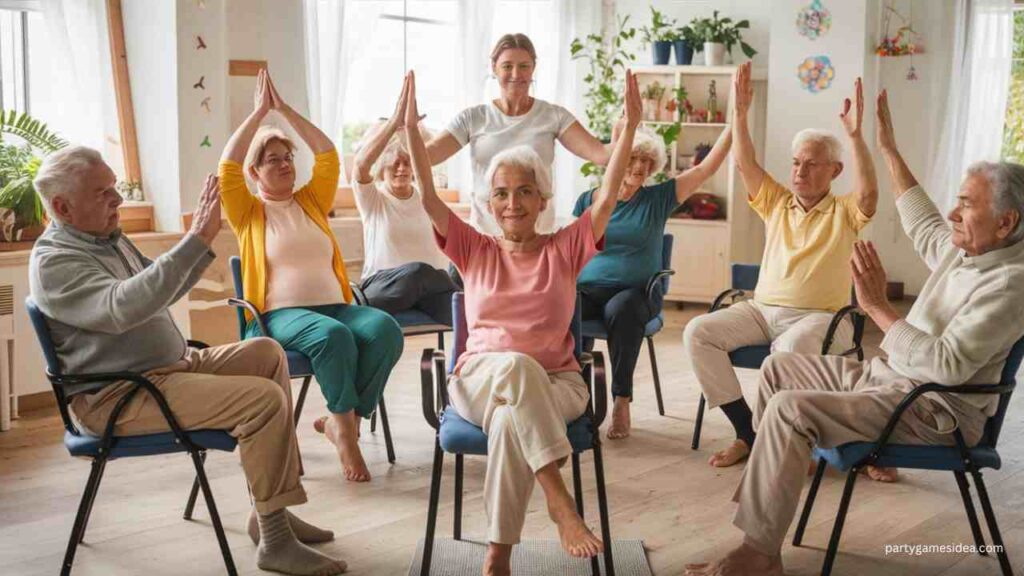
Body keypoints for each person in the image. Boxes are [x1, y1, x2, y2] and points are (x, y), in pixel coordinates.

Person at [685, 90, 1024, 576]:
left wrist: (878, 308)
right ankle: (771, 501)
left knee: (788, 407)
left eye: (966, 204)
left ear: (1006, 221)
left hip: (932, 409)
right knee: (780, 370)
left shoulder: (1010, 283)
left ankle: (759, 553)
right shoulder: (969, 248)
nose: (953, 214)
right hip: (892, 382)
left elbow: (949, 365)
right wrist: (886, 145)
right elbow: (921, 217)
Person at [29, 147, 346, 576]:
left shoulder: (108, 239)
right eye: (103, 193)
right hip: (119, 395)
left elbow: (163, 289)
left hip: (168, 370)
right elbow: (122, 307)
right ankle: (276, 543)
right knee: (263, 400)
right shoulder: (55, 261)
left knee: (266, 353)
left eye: (116, 188)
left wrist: (203, 240)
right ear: (63, 208)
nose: (118, 200)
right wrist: (195, 238)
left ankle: (271, 512)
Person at [406, 67, 640, 576]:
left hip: (558, 383)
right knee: (513, 367)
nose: (513, 202)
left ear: (543, 199)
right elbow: (426, 195)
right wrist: (409, 132)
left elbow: (606, 196)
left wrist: (631, 130)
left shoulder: (565, 248)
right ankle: (559, 504)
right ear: (490, 204)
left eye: (524, 191)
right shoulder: (473, 248)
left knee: (514, 416)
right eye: (502, 194)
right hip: (478, 380)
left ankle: (498, 557)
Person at [683, 62, 882, 474]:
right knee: (697, 332)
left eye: (811, 164)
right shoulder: (776, 201)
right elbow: (744, 162)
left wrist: (856, 136)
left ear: (834, 170)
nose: (799, 171)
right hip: (761, 310)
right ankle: (749, 434)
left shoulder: (844, 211)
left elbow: (869, 192)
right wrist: (738, 113)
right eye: (796, 162)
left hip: (822, 317)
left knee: (788, 352)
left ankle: (786, 439)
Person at [219, 69, 403, 483]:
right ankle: (347, 432)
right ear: (255, 173)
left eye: (288, 158)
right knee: (332, 338)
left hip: (336, 306)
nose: (284, 164)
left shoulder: (311, 201)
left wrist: (285, 112)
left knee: (385, 329)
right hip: (277, 316)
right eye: (273, 160)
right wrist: (259, 115)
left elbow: (328, 155)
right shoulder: (247, 212)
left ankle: (345, 420)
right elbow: (228, 163)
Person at [574, 125, 732, 439]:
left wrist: (735, 123)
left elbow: (706, 167)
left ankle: (621, 400)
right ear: (616, 159)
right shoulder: (587, 200)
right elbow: (574, 247)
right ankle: (574, 397)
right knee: (564, 306)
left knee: (623, 309)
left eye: (647, 162)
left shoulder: (658, 198)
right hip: (589, 289)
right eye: (632, 158)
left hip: (637, 293)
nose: (639, 167)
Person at [426, 33, 620, 235]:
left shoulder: (553, 116)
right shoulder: (474, 118)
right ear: (494, 68)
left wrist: (626, 128)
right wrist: (408, 129)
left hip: (537, 243)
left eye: (524, 66)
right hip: (485, 242)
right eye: (507, 66)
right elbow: (428, 156)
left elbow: (601, 154)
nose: (516, 74)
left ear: (533, 68)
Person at [352, 116, 457, 325]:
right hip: (382, 290)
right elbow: (361, 167)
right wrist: (393, 125)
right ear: (383, 168)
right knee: (419, 271)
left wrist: (412, 130)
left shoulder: (426, 198)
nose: (401, 169)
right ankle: (450, 283)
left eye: (407, 163)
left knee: (463, 309)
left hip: (428, 292)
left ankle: (467, 357)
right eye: (394, 164)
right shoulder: (373, 199)